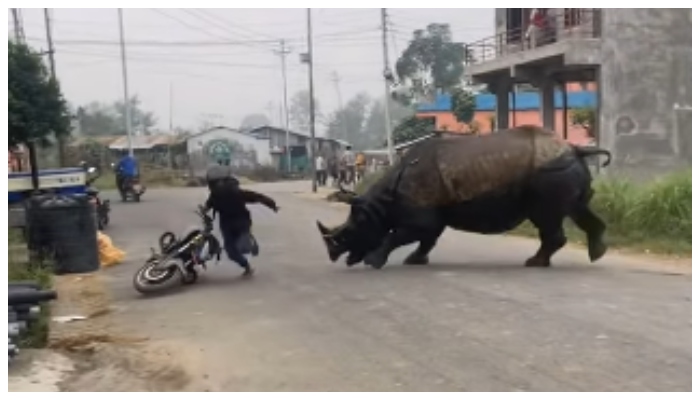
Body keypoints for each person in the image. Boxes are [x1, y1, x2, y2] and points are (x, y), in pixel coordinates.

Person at [203, 172, 279, 277]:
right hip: (227, 224)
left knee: (241, 247)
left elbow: (256, 197)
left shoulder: (235, 192)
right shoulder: (215, 195)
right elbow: (208, 205)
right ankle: (246, 264)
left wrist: (272, 204)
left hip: (241, 221)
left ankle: (249, 242)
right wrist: (204, 211)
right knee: (230, 250)